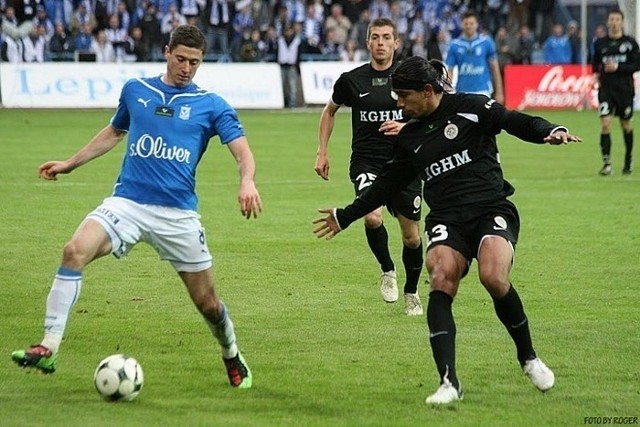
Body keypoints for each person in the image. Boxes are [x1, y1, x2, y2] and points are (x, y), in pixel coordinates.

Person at [313, 56, 582, 404]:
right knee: (440, 276)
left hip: (490, 209)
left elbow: (513, 120)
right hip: (446, 219)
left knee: (493, 277)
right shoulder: (409, 138)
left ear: (427, 91)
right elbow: (383, 188)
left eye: (403, 96)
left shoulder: (471, 107)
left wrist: (549, 131)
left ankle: (528, 358)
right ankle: (448, 382)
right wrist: (345, 215)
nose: (398, 103)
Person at [11, 24, 261, 390]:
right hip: (127, 203)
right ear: (166, 52)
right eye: (181, 59)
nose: (187, 68)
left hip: (178, 215)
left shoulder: (212, 105)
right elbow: (114, 132)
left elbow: (242, 151)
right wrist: (70, 163)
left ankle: (231, 353)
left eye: (194, 62)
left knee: (208, 303)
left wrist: (247, 180)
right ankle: (48, 347)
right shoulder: (136, 90)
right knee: (73, 251)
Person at [314, 18, 424, 316]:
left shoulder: (410, 79)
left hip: (405, 164)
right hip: (367, 162)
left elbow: (428, 116)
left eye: (386, 37)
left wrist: (404, 127)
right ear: (367, 43)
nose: (380, 42)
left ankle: (412, 291)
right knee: (371, 216)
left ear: (396, 43)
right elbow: (329, 111)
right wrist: (322, 152)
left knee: (411, 236)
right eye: (375, 37)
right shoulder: (351, 80)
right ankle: (387, 269)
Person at [592, 9, 640, 175]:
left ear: (622, 22)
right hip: (606, 89)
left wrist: (618, 67)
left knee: (625, 124)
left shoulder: (630, 43)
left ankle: (628, 158)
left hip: (625, 90)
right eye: (611, 19)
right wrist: (595, 77)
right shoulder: (600, 43)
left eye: (617, 19)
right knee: (605, 124)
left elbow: (636, 65)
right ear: (608, 22)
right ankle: (607, 163)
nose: (614, 22)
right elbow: (595, 64)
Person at [445, 11, 504, 105]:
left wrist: (499, 91)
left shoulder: (486, 42)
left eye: (471, 23)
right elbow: (450, 71)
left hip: (482, 90)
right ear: (461, 25)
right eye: (466, 23)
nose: (469, 26)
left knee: (483, 119)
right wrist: (446, 92)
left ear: (477, 25)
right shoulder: (454, 45)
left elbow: (495, 68)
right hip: (462, 91)